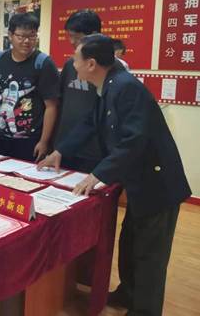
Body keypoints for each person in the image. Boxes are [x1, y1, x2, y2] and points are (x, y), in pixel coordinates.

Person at [39, 34, 191, 316]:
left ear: (91, 64)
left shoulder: (125, 87)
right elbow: (90, 123)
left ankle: (144, 310)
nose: (72, 63)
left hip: (158, 186)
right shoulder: (109, 84)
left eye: (75, 58)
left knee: (150, 255)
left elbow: (134, 141)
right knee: (131, 243)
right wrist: (61, 150)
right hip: (139, 183)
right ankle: (127, 293)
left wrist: (97, 174)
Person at [0, 12, 59, 161]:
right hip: (0, 138)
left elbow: (51, 106)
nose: (27, 41)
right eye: (21, 36)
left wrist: (44, 141)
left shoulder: (43, 63)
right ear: (10, 35)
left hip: (30, 141)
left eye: (32, 36)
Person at [55, 9, 104, 172]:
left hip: (93, 150)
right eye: (70, 36)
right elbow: (61, 102)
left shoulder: (109, 68)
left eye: (77, 37)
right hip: (64, 146)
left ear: (94, 35)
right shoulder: (71, 64)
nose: (72, 41)